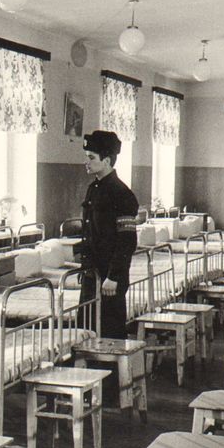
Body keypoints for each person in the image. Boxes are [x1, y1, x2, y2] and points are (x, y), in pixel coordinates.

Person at [79, 130, 139, 339]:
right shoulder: (93, 189)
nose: (86, 162)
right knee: (85, 331)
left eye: (91, 158)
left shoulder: (122, 194)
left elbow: (127, 241)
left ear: (106, 161)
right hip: (92, 274)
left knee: (110, 333)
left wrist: (114, 276)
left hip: (109, 278)